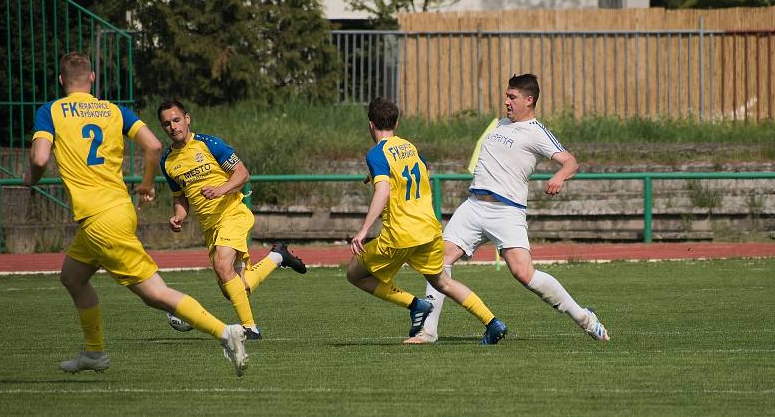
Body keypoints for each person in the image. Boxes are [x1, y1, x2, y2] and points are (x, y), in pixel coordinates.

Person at [23, 52, 248, 376]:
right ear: (93, 79)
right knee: (72, 277)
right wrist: (145, 184)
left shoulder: (51, 111)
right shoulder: (114, 110)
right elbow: (154, 146)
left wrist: (31, 177)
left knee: (155, 294)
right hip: (114, 211)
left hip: (100, 219)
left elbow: (41, 158)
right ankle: (94, 352)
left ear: (61, 81)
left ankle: (226, 332)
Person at [404, 73, 610, 344]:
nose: (506, 102)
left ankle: (584, 318)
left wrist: (559, 177)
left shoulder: (536, 131)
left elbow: (570, 161)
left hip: (506, 211)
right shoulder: (501, 124)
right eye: (506, 96)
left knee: (524, 274)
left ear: (529, 100)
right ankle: (428, 332)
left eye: (512, 97)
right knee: (437, 262)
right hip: (473, 206)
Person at [346, 97, 507, 344]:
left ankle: (415, 305)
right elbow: (421, 169)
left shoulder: (376, 154)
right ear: (397, 123)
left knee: (355, 274)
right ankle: (492, 323)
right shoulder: (410, 148)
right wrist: (378, 175)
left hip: (399, 234)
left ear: (370, 125)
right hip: (429, 230)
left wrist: (363, 230)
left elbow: (383, 191)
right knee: (442, 281)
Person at [158, 99, 306, 340]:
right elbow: (180, 197)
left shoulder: (209, 144)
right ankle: (278, 256)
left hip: (232, 214)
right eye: (166, 124)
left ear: (187, 118)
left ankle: (250, 329)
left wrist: (221, 189)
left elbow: (242, 173)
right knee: (236, 288)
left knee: (222, 265)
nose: (173, 127)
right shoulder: (167, 162)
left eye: (176, 120)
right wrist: (179, 216)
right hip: (210, 227)